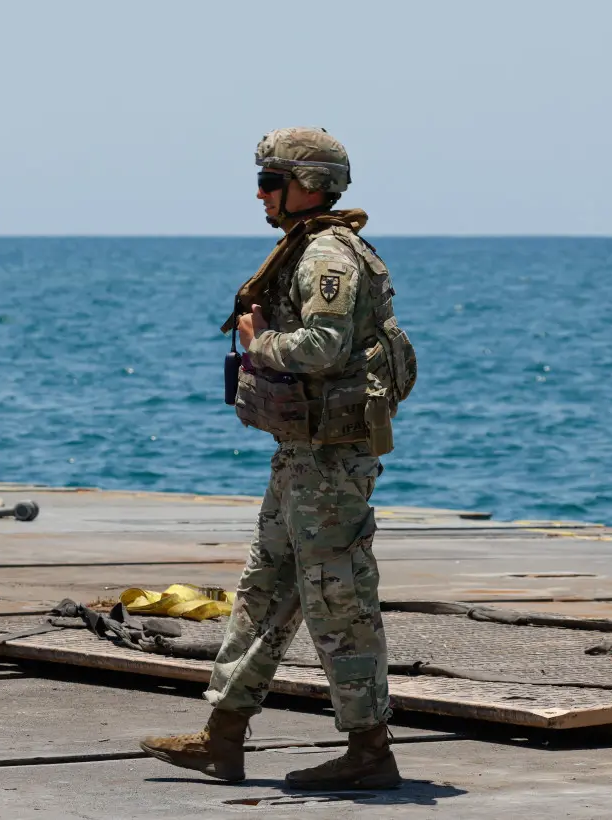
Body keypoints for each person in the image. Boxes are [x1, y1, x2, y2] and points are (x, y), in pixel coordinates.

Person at [139, 127, 416, 790]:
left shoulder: (329, 255)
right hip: (303, 454)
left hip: (330, 459)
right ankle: (223, 737)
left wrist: (259, 344)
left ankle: (371, 751)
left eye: (271, 181)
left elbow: (322, 346)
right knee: (264, 589)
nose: (260, 193)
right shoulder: (305, 246)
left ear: (308, 184)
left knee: (337, 598)